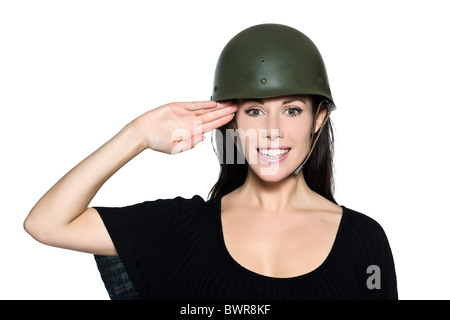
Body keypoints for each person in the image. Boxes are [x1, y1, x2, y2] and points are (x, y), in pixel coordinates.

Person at [24, 24, 398, 299]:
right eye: (253, 110)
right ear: (231, 121)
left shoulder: (363, 241)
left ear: (319, 119)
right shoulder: (184, 229)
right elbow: (47, 224)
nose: (272, 130)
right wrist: (136, 134)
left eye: (292, 110)